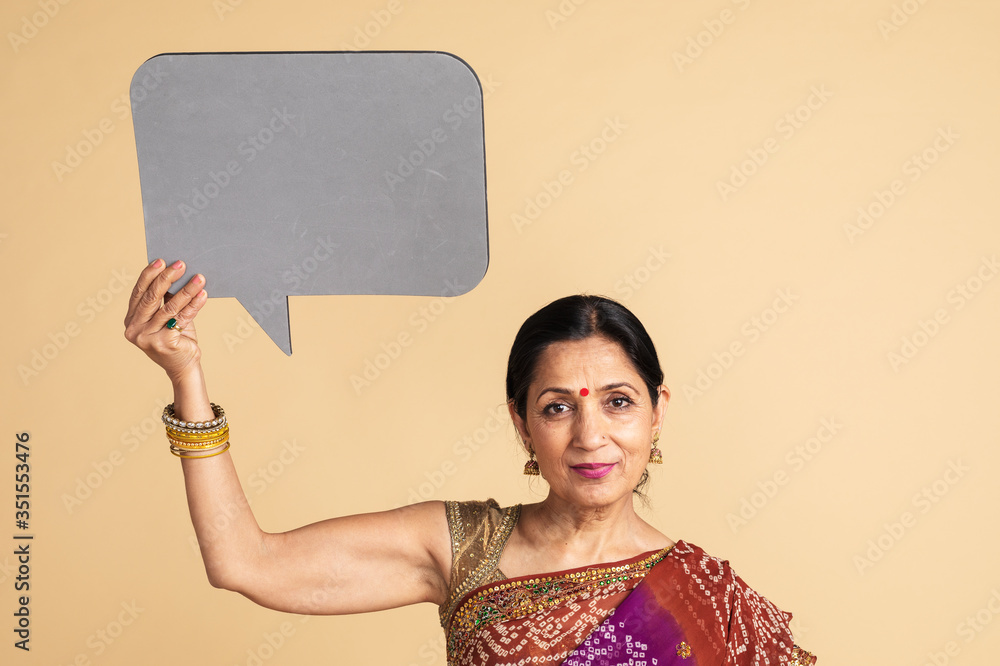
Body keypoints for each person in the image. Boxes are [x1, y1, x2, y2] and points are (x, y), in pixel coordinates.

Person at [124, 258, 817, 665]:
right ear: (521, 424)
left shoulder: (713, 600)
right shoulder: (464, 548)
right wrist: (186, 379)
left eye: (617, 402)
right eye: (556, 407)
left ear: (657, 410)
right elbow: (245, 563)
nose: (590, 435)